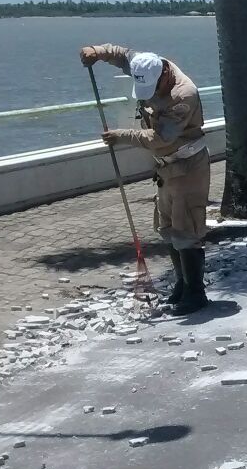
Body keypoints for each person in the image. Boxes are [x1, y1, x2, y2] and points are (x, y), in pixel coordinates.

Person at [79, 43, 210, 315]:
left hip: (187, 166)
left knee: (186, 229)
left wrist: (121, 136)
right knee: (168, 226)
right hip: (165, 169)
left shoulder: (183, 95)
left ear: (163, 75)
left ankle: (196, 293)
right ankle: (182, 284)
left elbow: (162, 138)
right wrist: (97, 51)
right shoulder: (144, 64)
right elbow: (120, 54)